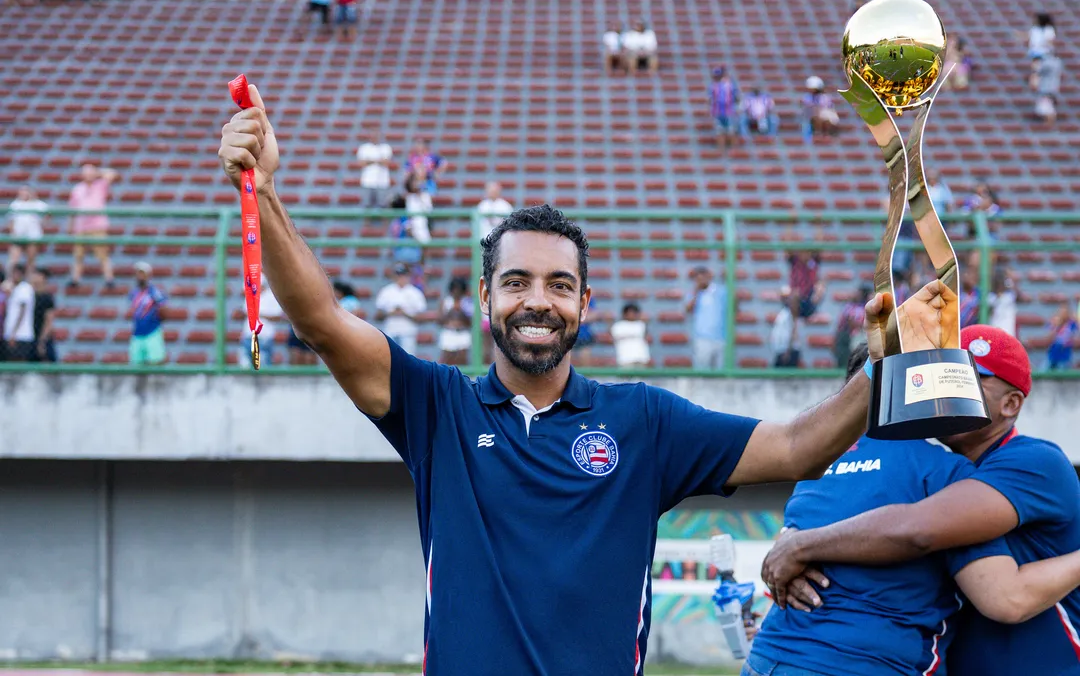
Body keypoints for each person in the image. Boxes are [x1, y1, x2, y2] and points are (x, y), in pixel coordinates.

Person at [217, 81, 955, 675]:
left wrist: (887, 368)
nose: (537, 300)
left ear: (585, 304)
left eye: (558, 285)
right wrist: (266, 192)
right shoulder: (434, 408)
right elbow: (319, 322)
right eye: (516, 282)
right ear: (485, 299)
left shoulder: (644, 423)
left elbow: (797, 448)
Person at [761, 325, 1080, 676]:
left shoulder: (1034, 462)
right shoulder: (933, 467)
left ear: (1011, 403)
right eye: (944, 373)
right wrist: (790, 547)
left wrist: (798, 545)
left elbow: (920, 531)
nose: (949, 387)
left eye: (969, 376)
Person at [68, 162, 117, 287]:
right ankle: (75, 279)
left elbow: (112, 173)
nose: (88, 175)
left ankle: (109, 279)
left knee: (102, 254)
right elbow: (72, 209)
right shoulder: (77, 188)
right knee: (78, 255)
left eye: (90, 172)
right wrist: (71, 225)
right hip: (81, 226)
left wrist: (97, 172)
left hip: (97, 225)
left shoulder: (100, 185)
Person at [373, 262, 427, 356]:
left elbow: (421, 318)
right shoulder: (386, 291)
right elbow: (377, 316)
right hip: (390, 331)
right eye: (398, 274)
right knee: (390, 361)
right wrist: (391, 313)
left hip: (408, 332)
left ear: (408, 275)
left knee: (408, 361)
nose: (401, 277)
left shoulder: (415, 293)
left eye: (403, 274)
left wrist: (404, 313)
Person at [128, 261, 166, 366]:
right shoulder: (133, 293)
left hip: (152, 331)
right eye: (138, 273)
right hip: (137, 332)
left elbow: (164, 310)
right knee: (136, 363)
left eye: (142, 273)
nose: (140, 276)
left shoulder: (155, 292)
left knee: (156, 361)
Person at [6, 186, 48, 274]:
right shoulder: (15, 204)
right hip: (18, 237)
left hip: (33, 237)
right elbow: (11, 221)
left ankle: (30, 280)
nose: (24, 193)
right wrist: (12, 233)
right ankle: (10, 280)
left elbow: (48, 215)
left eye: (26, 191)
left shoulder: (38, 204)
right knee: (13, 260)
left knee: (31, 261)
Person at [2, 263, 36, 361]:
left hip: (21, 335)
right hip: (10, 334)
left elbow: (22, 312)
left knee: (18, 362)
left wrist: (14, 333)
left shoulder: (24, 288)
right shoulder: (13, 288)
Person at [610, 302, 650, 368]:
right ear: (624, 314)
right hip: (625, 360)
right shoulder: (618, 326)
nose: (632, 315)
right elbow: (613, 337)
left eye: (634, 312)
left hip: (641, 359)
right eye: (630, 312)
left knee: (641, 377)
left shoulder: (641, 325)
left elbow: (646, 337)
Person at [30, 266, 56, 362]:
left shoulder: (47, 298)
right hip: (30, 336)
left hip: (40, 337)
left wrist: (42, 341)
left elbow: (49, 321)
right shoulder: (29, 295)